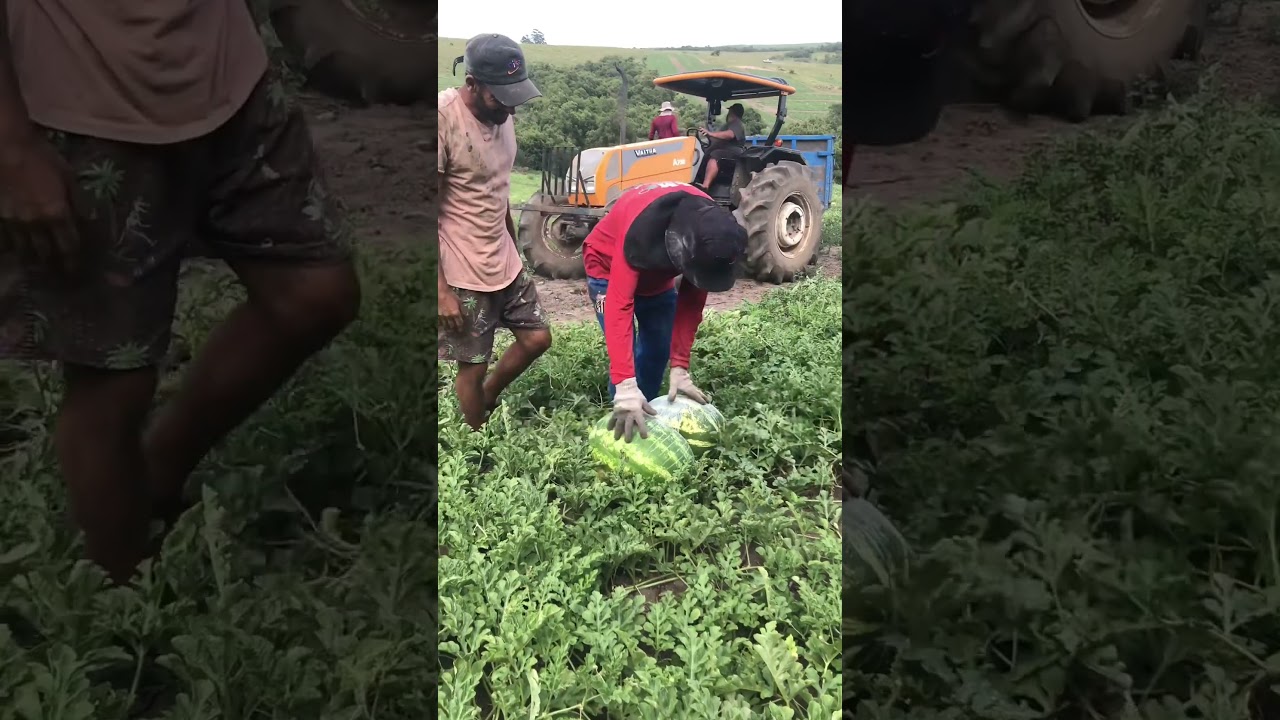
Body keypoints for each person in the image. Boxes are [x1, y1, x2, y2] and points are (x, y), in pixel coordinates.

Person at [0, 1, 361, 583]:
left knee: (314, 295)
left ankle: (159, 469)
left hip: (227, 74)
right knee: (114, 381)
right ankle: (120, 599)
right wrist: (11, 146)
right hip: (79, 100)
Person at [439, 34, 551, 430]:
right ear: (472, 83)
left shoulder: (503, 118)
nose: (510, 106)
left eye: (515, 95)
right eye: (500, 96)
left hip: (502, 257)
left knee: (537, 339)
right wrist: (440, 292)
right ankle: (476, 439)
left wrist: (514, 249)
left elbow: (498, 189)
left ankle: (486, 397)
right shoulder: (442, 119)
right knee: (473, 364)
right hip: (461, 267)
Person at [581, 181, 747, 442]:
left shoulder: (711, 232)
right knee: (626, 354)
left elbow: (691, 304)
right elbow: (619, 304)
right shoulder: (643, 226)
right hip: (607, 264)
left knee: (659, 344)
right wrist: (625, 383)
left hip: (657, 272)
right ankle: (619, 409)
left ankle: (643, 407)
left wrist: (680, 366)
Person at [696, 102, 746, 190]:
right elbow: (717, 138)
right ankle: (697, 180)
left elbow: (730, 135)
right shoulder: (728, 125)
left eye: (730, 111)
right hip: (725, 150)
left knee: (715, 155)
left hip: (733, 152)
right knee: (703, 152)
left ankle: (705, 186)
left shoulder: (736, 123)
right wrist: (708, 135)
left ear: (732, 112)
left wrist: (710, 133)